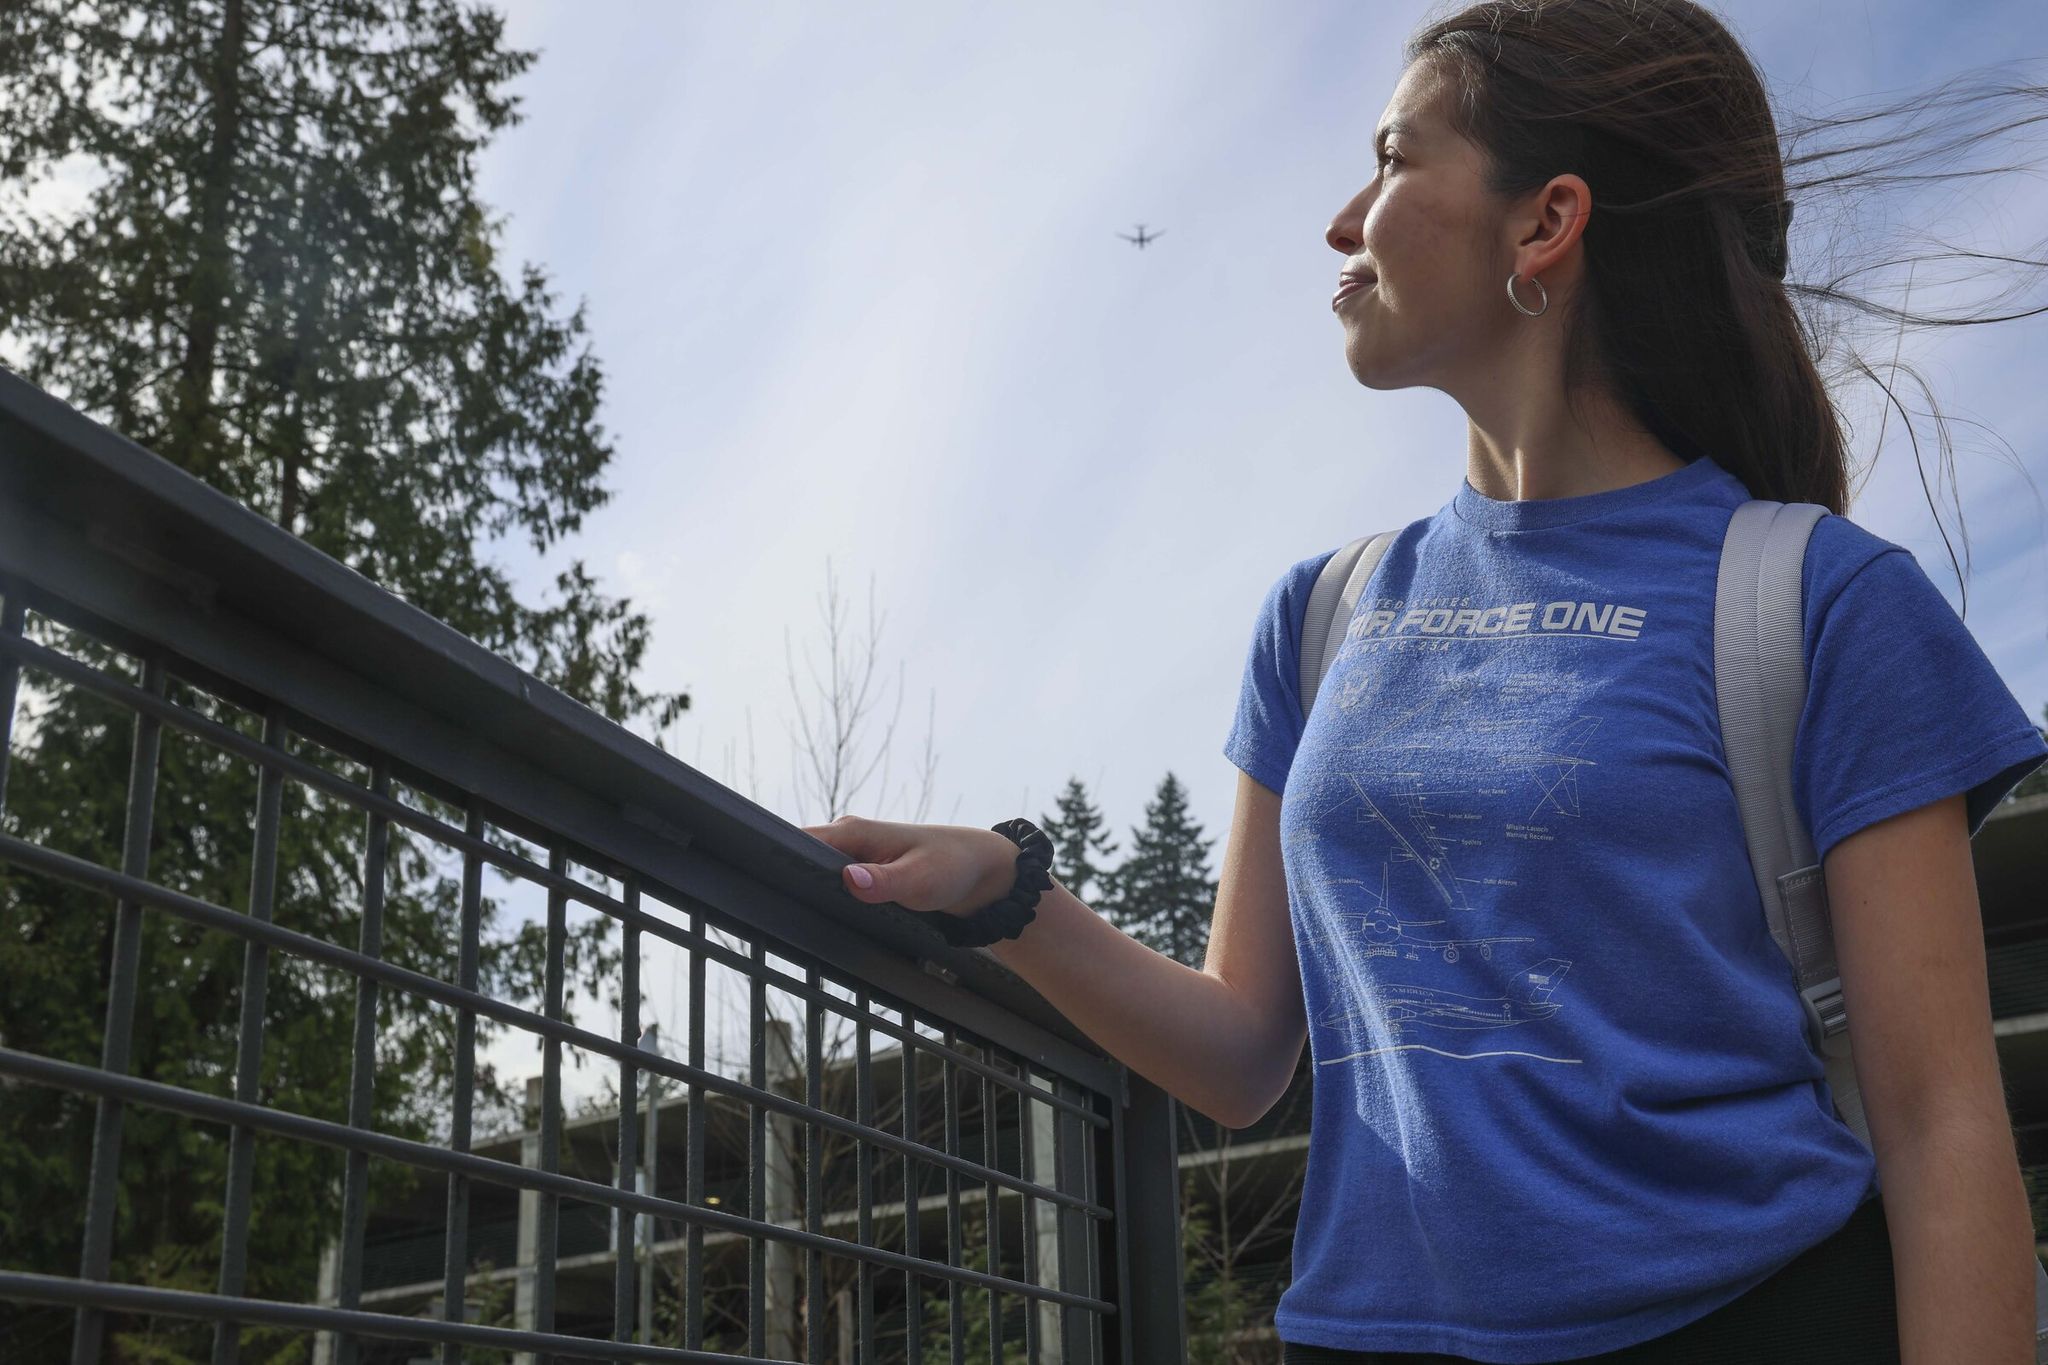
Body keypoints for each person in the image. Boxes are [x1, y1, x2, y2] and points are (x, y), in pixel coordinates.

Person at [803, 1, 2048, 1359]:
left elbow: (1942, 1127)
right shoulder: (1319, 617)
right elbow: (1241, 1049)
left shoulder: (1823, 603)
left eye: (1393, 158)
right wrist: (1011, 889)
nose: (1344, 220)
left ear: (1543, 225)